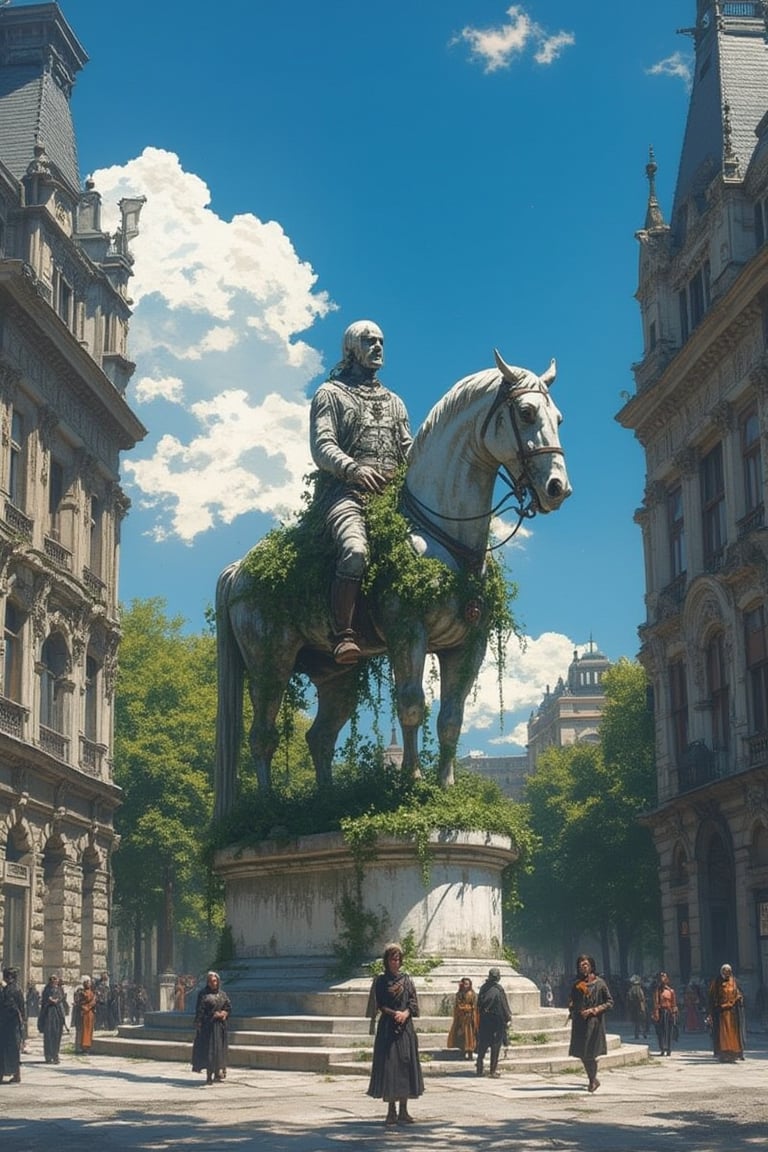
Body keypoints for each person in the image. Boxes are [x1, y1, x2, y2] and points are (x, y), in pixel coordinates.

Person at [309, 320, 412, 664]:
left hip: (394, 499)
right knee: (354, 550)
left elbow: (407, 447)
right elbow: (322, 445)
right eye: (369, 341)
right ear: (352, 348)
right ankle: (344, 634)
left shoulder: (396, 401)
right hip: (347, 494)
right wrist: (354, 469)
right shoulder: (331, 394)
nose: (378, 347)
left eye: (381, 341)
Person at [367, 942, 424, 1125]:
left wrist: (405, 1013)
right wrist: (395, 1014)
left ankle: (404, 1111)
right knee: (390, 1067)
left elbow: (413, 1003)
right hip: (388, 1029)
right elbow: (380, 1004)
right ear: (387, 961)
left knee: (405, 1066)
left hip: (405, 1029)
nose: (396, 962)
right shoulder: (381, 981)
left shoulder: (407, 980)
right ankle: (391, 1111)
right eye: (392, 959)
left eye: (398, 959)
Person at [568, 955, 613, 1093]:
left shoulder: (600, 983)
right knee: (582, 1053)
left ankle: (592, 1080)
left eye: (586, 964)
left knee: (590, 1053)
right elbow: (572, 1000)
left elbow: (610, 1002)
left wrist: (595, 1010)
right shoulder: (577, 984)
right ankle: (593, 1078)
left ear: (591, 966)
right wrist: (572, 1007)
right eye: (581, 965)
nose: (584, 967)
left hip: (594, 1023)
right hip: (580, 1023)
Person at [192, 971, 231, 1084]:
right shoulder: (203, 994)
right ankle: (209, 1075)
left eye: (214, 981)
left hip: (220, 1027)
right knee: (209, 1051)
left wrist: (224, 1013)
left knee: (219, 1051)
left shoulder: (222, 994)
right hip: (208, 1027)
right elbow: (200, 1011)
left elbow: (228, 1007)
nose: (213, 983)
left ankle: (218, 1073)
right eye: (210, 981)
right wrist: (201, 1022)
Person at [476, 967, 511, 1079]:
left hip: (485, 1020)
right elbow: (503, 1005)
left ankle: (479, 1068)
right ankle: (492, 1071)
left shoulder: (483, 988)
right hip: (497, 1021)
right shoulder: (498, 989)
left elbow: (479, 1004)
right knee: (495, 1046)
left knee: (483, 1044)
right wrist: (508, 1018)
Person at [706, 963, 745, 1063]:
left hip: (733, 1012)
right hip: (721, 1012)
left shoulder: (735, 981)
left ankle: (733, 1053)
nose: (726, 973)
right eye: (724, 971)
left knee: (733, 1033)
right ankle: (723, 1053)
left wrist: (738, 999)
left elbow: (739, 993)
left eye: (728, 971)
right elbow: (711, 997)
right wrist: (710, 1011)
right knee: (722, 1033)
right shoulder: (717, 982)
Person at [0, 967, 25, 1084]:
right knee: (13, 1049)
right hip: (12, 1024)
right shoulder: (16, 989)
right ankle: (15, 1074)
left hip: (8, 1024)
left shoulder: (7, 990)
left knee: (9, 1049)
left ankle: (16, 1074)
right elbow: (22, 1008)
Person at [38, 974, 68, 1064]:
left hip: (57, 1015)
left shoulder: (59, 990)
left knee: (57, 1036)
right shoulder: (46, 990)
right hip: (48, 1015)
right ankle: (48, 1056)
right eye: (51, 979)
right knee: (48, 1037)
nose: (53, 980)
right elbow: (44, 1001)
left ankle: (55, 1055)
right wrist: (49, 1000)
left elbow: (61, 1000)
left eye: (55, 979)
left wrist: (56, 1001)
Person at [447, 977, 478, 1060]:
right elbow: (458, 1005)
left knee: (470, 1036)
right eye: (464, 984)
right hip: (461, 1019)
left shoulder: (472, 994)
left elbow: (474, 1006)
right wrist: (462, 1009)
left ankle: (470, 1053)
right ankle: (463, 1052)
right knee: (461, 1036)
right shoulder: (459, 994)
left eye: (467, 984)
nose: (465, 986)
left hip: (470, 1019)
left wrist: (469, 1010)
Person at [651, 970, 678, 1056]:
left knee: (669, 1031)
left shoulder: (671, 991)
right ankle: (662, 1048)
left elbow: (674, 1004)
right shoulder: (656, 991)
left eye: (664, 977)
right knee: (660, 1031)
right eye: (660, 977)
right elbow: (655, 1003)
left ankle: (669, 1049)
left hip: (669, 1012)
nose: (662, 979)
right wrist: (656, 1014)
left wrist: (674, 1014)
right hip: (660, 1012)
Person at [73, 976, 96, 1054]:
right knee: (83, 1031)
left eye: (89, 982)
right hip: (83, 1014)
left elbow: (94, 1001)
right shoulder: (80, 992)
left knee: (89, 1031)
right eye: (88, 982)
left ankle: (87, 1046)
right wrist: (84, 1008)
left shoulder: (92, 992)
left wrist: (88, 1007)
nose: (89, 984)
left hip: (90, 1014)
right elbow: (78, 1002)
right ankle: (82, 1047)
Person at [627, 975, 648, 1039]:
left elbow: (629, 999)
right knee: (642, 1021)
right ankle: (643, 1033)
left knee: (637, 1022)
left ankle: (637, 1034)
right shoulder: (639, 990)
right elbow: (641, 999)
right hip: (640, 1007)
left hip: (635, 1008)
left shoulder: (631, 990)